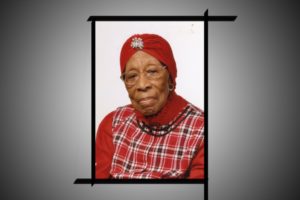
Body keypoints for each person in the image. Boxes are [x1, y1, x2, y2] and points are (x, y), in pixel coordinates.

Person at [95, 33, 204, 179]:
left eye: (152, 72)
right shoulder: (112, 125)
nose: (142, 85)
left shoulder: (201, 130)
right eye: (132, 76)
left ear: (170, 78)